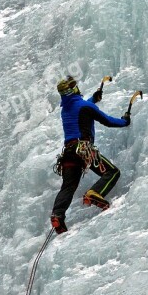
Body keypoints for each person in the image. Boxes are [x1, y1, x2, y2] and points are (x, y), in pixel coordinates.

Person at [50, 76, 130, 234]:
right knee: (112, 172)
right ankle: (95, 193)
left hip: (68, 154)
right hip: (83, 150)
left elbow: (81, 108)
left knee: (68, 186)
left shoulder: (65, 110)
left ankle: (57, 215)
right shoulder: (85, 106)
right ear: (74, 90)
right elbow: (107, 121)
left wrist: (94, 98)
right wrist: (125, 121)